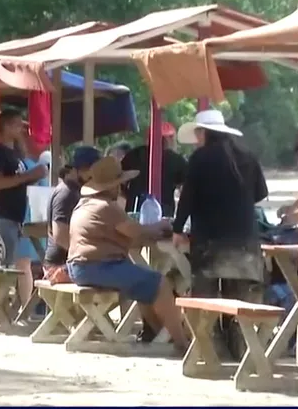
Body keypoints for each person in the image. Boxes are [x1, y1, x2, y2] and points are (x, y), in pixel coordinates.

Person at [172, 109, 269, 360]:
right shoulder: (247, 156)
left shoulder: (199, 159)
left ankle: (208, 351)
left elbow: (187, 200)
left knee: (205, 299)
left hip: (210, 243)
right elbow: (260, 194)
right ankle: (240, 351)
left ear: (203, 133)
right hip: (246, 242)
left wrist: (176, 229)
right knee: (239, 301)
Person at [67, 156, 189, 353]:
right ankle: (182, 343)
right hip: (97, 267)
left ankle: (160, 335)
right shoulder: (107, 207)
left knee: (145, 282)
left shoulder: (85, 204)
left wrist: (151, 230)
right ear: (113, 185)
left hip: (80, 266)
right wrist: (162, 226)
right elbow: (136, 232)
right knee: (160, 283)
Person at [0, 108, 48, 306]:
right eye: (17, 124)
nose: (21, 128)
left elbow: (19, 181)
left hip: (17, 216)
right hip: (3, 214)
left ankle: (8, 307)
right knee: (2, 265)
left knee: (14, 264)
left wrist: (33, 177)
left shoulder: (16, 154)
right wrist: (29, 176)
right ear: (6, 126)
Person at [44, 147, 102, 283]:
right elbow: (60, 235)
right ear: (80, 170)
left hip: (68, 263)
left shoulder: (74, 191)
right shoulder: (67, 193)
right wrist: (86, 255)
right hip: (60, 266)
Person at [121, 122, 187, 215]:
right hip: (163, 210)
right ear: (169, 139)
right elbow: (185, 188)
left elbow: (120, 181)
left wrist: (129, 195)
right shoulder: (177, 160)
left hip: (135, 207)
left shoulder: (134, 154)